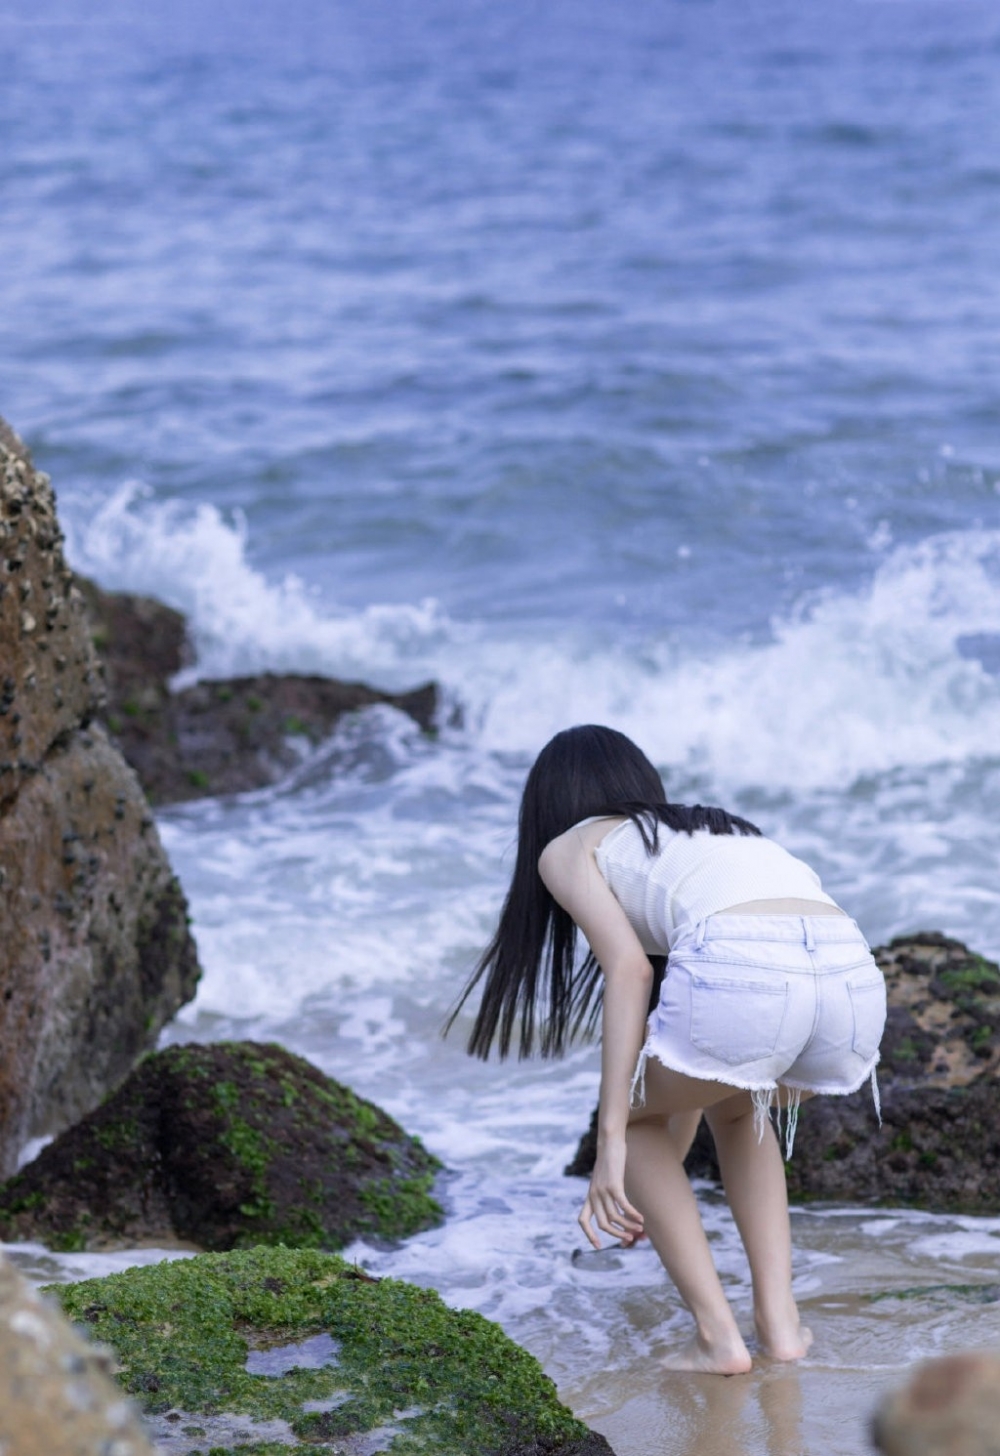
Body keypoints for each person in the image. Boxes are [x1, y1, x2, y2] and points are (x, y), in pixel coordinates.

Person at [449, 724, 887, 1375]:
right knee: (740, 1110)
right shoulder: (704, 830)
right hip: (850, 974)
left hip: (750, 966)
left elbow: (629, 970)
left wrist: (614, 1147)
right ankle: (782, 1326)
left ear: (548, 805)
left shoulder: (567, 847)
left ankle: (719, 1340)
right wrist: (657, 1182)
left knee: (637, 1122)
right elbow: (692, 1067)